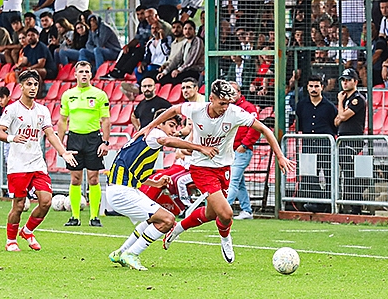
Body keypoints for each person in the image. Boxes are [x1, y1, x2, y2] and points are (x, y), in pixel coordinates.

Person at [138, 80, 295, 263]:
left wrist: (280, 156)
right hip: (201, 168)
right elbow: (173, 110)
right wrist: (150, 126)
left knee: (211, 214)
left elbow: (264, 129)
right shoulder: (197, 109)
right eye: (222, 103)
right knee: (226, 214)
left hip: (224, 168)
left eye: (228, 103)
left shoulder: (234, 113)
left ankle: (178, 228)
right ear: (211, 98)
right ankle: (226, 239)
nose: (225, 107)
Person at [107, 109, 216, 270]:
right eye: (171, 125)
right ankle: (132, 253)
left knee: (154, 218)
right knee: (167, 220)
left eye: (175, 126)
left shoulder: (146, 139)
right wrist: (200, 147)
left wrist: (156, 183)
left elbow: (138, 174)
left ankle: (120, 252)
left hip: (122, 189)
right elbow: (166, 141)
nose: (173, 131)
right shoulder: (154, 134)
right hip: (122, 192)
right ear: (160, 123)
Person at [0, 70, 77, 251]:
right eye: (29, 84)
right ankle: (11, 240)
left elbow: (50, 134)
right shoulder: (12, 109)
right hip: (18, 165)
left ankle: (28, 230)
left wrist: (63, 153)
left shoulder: (42, 110)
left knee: (46, 201)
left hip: (37, 163)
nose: (33, 88)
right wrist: (12, 138)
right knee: (19, 204)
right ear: (21, 86)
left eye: (35, 84)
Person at [58, 61, 111, 227]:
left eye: (87, 71)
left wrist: (105, 142)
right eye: (80, 71)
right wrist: (59, 144)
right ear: (75, 74)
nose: (84, 74)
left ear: (91, 74)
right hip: (74, 139)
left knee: (94, 178)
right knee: (75, 178)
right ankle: (75, 217)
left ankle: (94, 217)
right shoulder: (67, 95)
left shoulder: (99, 94)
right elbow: (62, 121)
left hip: (93, 139)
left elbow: (106, 120)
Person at [296, 75, 338, 213]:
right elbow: (301, 124)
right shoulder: (301, 105)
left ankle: (329, 203)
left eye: (316, 86)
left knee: (328, 173)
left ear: (322, 87)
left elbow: (334, 126)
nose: (314, 89)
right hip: (308, 144)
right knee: (309, 174)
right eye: (311, 86)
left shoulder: (330, 106)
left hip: (325, 145)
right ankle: (313, 202)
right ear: (307, 87)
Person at [225, 82, 260, 220]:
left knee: (232, 180)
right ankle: (247, 210)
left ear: (239, 93)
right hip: (231, 150)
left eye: (233, 92)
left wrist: (244, 145)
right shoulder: (227, 108)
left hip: (241, 150)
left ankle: (223, 209)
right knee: (239, 182)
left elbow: (255, 128)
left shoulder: (248, 108)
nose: (231, 95)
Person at [334, 68, 367, 214]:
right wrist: (340, 115)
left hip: (352, 139)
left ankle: (355, 205)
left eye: (348, 80)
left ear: (355, 81)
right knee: (346, 172)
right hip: (343, 138)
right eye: (343, 80)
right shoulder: (348, 99)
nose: (345, 83)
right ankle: (348, 203)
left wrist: (340, 102)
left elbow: (342, 117)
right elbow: (336, 121)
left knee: (349, 173)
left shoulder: (357, 98)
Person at [156, 21, 204, 86]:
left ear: (194, 30)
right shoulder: (185, 43)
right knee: (163, 79)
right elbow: (176, 59)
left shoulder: (198, 41)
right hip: (185, 70)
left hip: (195, 71)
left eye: (190, 29)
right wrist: (164, 72)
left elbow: (191, 61)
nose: (187, 31)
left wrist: (178, 70)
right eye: (185, 29)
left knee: (175, 80)